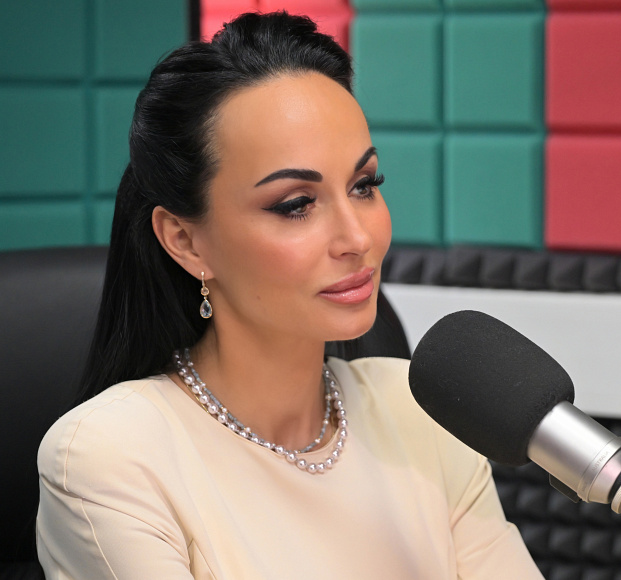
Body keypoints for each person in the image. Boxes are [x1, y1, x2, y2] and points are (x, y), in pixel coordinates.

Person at [35, 12, 543, 579]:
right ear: (185, 240)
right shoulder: (111, 457)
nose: (357, 239)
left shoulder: (420, 409)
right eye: (296, 205)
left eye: (364, 186)